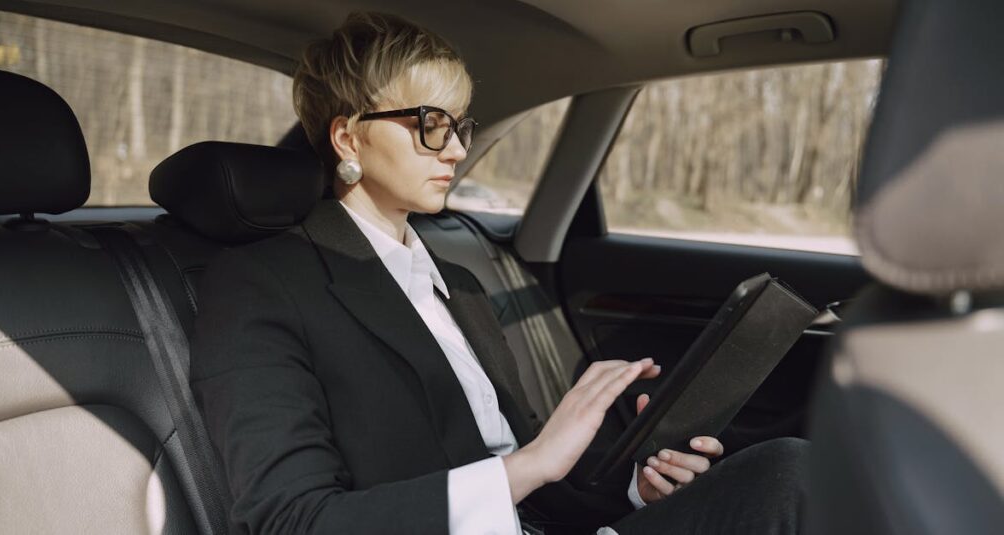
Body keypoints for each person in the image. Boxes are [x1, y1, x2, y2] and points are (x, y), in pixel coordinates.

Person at [189, 11, 807, 535]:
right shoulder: (260, 286)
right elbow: (294, 521)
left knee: (786, 468)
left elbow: (530, 483)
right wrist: (533, 464)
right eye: (430, 124)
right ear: (349, 138)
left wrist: (638, 493)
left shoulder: (458, 286)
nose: (456, 149)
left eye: (458, 126)